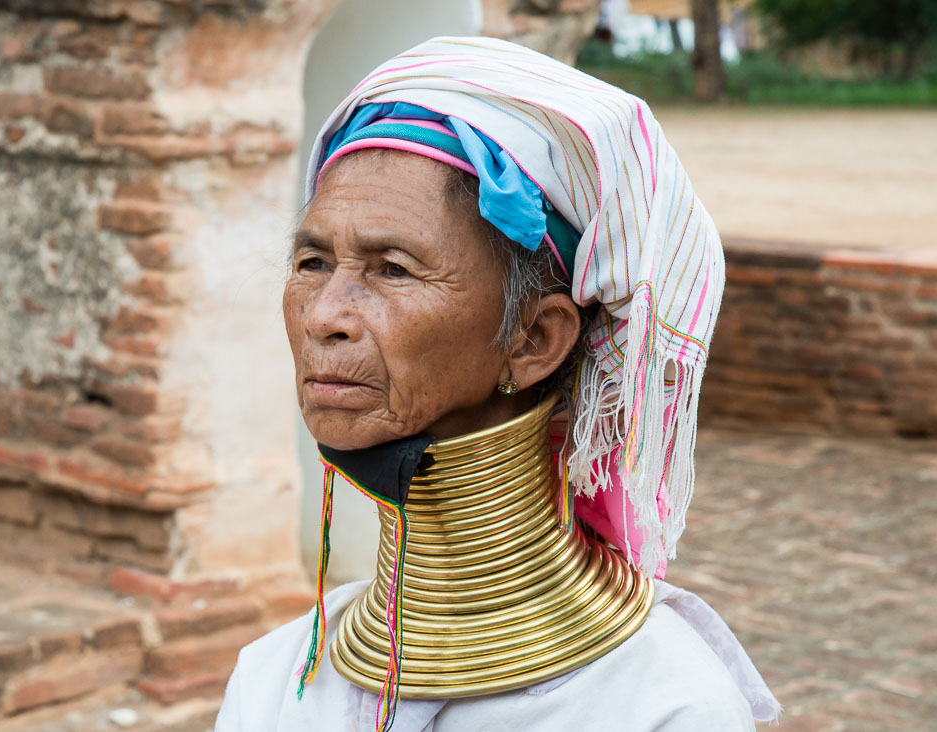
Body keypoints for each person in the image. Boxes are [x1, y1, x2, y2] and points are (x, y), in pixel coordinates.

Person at [214, 36, 780, 732]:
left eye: (392, 268)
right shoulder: (278, 681)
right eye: (311, 261)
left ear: (536, 339)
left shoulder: (661, 705)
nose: (324, 315)